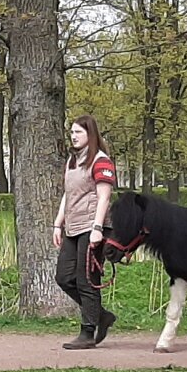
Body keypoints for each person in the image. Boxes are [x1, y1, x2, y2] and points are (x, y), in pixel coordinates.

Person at [53, 115, 117, 349]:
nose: (73, 136)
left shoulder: (101, 161)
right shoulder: (72, 161)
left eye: (78, 132)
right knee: (63, 277)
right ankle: (100, 315)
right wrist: (58, 224)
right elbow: (68, 195)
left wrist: (98, 229)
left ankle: (88, 332)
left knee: (86, 280)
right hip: (72, 226)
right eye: (71, 132)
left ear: (90, 134)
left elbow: (104, 196)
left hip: (92, 226)